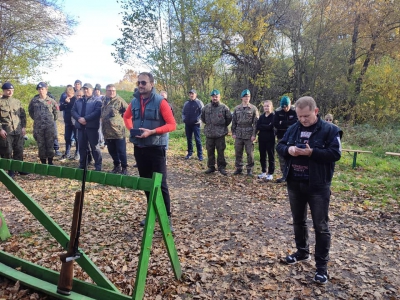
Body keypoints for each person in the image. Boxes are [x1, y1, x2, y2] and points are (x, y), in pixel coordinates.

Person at [276, 96, 342, 285]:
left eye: (306, 116)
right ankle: (302, 252)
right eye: (299, 116)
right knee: (298, 221)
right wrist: (289, 150)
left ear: (316, 111)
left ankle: (321, 267)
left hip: (318, 185)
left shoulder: (330, 130)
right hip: (295, 183)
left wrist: (312, 152)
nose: (302, 120)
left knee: (321, 226)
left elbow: (335, 153)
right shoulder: (293, 128)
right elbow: (279, 145)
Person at [123, 72, 176, 230]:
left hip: (156, 148)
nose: (140, 85)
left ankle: (166, 218)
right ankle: (151, 213)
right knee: (146, 183)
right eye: (139, 82)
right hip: (139, 148)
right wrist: (132, 129)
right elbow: (126, 117)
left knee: (160, 184)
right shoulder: (134, 101)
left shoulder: (161, 102)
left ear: (151, 84)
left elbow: (172, 125)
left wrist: (152, 132)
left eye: (144, 83)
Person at [71, 83, 102, 171]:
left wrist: (85, 119)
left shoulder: (97, 101)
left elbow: (97, 112)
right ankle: (83, 164)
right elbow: (73, 111)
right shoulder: (79, 101)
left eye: (87, 89)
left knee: (94, 147)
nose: (85, 90)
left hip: (92, 127)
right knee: (82, 146)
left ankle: (98, 165)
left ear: (92, 90)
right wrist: (79, 119)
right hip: (81, 127)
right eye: (84, 89)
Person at [201, 89, 232, 176]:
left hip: (220, 134)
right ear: (211, 97)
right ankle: (211, 167)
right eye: (213, 96)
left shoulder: (224, 108)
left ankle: (221, 167)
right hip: (209, 133)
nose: (215, 98)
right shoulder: (206, 108)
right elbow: (203, 118)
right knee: (210, 151)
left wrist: (222, 127)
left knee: (220, 151)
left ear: (219, 97)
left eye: (216, 96)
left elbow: (228, 119)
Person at [0, 82, 27, 177]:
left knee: (19, 150)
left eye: (12, 90)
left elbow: (23, 115)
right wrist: (0, 130)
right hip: (6, 131)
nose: (10, 92)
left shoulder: (17, 102)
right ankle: (10, 170)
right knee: (7, 151)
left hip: (18, 130)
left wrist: (23, 127)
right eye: (8, 90)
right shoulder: (0, 102)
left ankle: (20, 169)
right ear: (3, 91)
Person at [28, 82, 58, 165]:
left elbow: (56, 113)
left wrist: (50, 121)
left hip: (49, 126)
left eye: (42, 89)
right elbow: (30, 111)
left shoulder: (52, 101)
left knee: (50, 143)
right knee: (41, 145)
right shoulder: (34, 101)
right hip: (39, 127)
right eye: (39, 89)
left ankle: (50, 162)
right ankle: (43, 163)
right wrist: (37, 119)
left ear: (46, 89)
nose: (41, 91)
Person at [101, 84, 128, 174]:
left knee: (121, 151)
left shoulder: (119, 101)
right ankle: (117, 166)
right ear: (106, 91)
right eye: (109, 90)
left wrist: (122, 119)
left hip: (118, 132)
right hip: (107, 132)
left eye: (113, 90)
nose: (112, 92)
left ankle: (124, 168)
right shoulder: (104, 100)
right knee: (112, 151)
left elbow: (128, 111)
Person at [231, 89, 259, 176]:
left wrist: (254, 134)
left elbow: (256, 123)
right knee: (238, 152)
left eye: (248, 96)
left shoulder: (253, 108)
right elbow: (234, 121)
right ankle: (239, 168)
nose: (247, 98)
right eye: (245, 96)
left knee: (250, 153)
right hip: (239, 132)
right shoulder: (237, 108)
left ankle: (249, 169)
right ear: (242, 98)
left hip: (249, 133)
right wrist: (233, 132)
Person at [273, 96, 297, 183]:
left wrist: (283, 123)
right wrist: (286, 124)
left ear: (289, 104)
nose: (285, 108)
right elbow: (276, 124)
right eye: (283, 107)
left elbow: (296, 123)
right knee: (282, 156)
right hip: (281, 136)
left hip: (293, 137)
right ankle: (284, 175)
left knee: (292, 156)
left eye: (286, 106)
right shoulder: (278, 111)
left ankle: (292, 175)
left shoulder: (295, 111)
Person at [182, 89, 204, 161]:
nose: (191, 95)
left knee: (197, 139)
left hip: (196, 125)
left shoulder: (199, 102)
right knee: (189, 139)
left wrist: (198, 120)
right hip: (188, 124)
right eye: (190, 94)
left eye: (193, 94)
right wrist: (184, 119)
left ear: (196, 94)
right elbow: (183, 112)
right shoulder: (186, 103)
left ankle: (200, 155)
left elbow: (202, 112)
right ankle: (189, 153)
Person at [256, 100, 275, 180]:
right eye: (265, 106)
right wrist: (266, 126)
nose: (266, 107)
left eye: (268, 106)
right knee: (262, 156)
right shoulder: (262, 116)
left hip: (270, 139)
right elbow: (258, 126)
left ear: (271, 106)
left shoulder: (274, 116)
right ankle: (264, 172)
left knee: (271, 156)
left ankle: (270, 173)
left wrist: (264, 126)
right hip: (262, 139)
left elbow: (271, 127)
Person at [59, 86, 78, 160]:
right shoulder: (65, 99)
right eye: (67, 93)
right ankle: (67, 153)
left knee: (76, 137)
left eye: (69, 94)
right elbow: (60, 108)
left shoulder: (75, 99)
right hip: (67, 121)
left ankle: (77, 153)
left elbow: (74, 108)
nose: (68, 95)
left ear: (73, 93)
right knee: (67, 137)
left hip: (75, 121)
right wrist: (65, 103)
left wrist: (68, 103)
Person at [94, 83, 106, 149]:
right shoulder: (93, 98)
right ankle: (99, 141)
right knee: (98, 129)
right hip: (96, 116)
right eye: (95, 90)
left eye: (98, 90)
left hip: (102, 116)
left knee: (102, 129)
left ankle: (103, 141)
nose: (96, 92)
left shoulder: (103, 97)